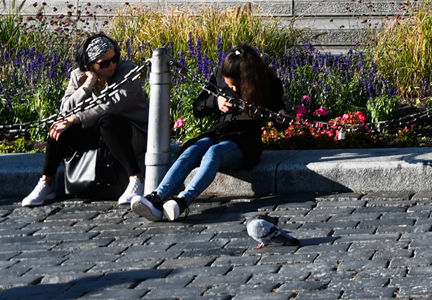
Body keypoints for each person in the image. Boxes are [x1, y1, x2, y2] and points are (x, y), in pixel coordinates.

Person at [132, 44, 285, 221]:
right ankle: (157, 197)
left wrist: (280, 117)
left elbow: (279, 119)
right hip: (220, 132)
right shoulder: (219, 76)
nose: (234, 89)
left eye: (237, 85)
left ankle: (182, 200)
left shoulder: (267, 83)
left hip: (245, 141)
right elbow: (197, 108)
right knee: (193, 149)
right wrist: (215, 101)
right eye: (229, 85)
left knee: (214, 153)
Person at [21, 34, 148, 207]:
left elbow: (112, 106)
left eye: (114, 58)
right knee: (59, 128)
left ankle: (136, 179)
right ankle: (46, 183)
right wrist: (87, 85)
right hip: (97, 132)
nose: (111, 65)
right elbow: (65, 109)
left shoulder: (127, 71)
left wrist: (76, 118)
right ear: (89, 65)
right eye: (104, 63)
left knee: (107, 121)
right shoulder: (78, 76)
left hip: (131, 132)